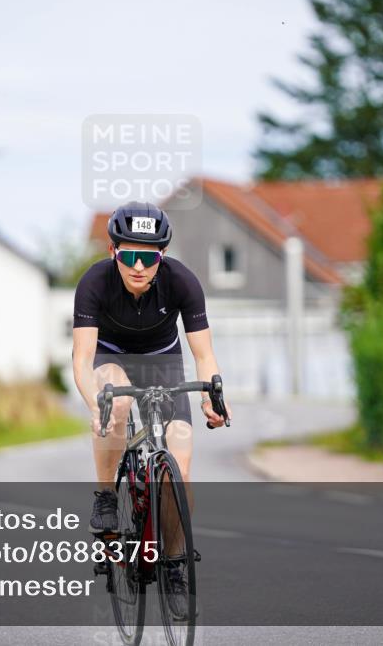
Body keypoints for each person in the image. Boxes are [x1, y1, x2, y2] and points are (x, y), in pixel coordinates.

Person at [72, 200, 232, 531]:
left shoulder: (182, 281)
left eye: (150, 257)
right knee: (116, 405)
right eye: (130, 256)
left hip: (163, 361)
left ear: (164, 255)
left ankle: (173, 561)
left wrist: (210, 399)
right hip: (111, 356)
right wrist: (94, 405)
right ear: (112, 250)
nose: (139, 266)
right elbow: (82, 358)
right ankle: (106, 495)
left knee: (182, 471)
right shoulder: (95, 282)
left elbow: (203, 354)